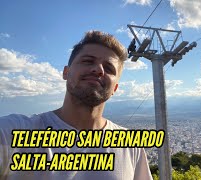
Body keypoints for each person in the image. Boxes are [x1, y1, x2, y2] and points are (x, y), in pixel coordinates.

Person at [0, 31, 153, 180]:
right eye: (88, 61)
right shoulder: (13, 132)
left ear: (115, 88)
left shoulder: (131, 147)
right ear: (66, 73)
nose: (98, 70)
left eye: (109, 68)